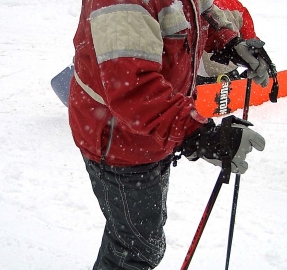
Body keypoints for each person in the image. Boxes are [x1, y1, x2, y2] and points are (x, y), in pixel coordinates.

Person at [68, 0, 269, 269]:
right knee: (136, 250)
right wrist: (200, 134)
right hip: (120, 140)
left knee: (136, 238)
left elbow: (201, 13)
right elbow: (133, 88)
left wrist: (229, 42)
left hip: (153, 132)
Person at [197, 0, 258, 85]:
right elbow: (250, 38)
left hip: (196, 77)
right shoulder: (236, 6)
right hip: (230, 73)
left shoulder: (194, 5)